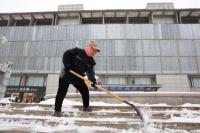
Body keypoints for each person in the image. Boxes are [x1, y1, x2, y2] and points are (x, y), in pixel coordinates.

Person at [53, 41, 100, 117]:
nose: (94, 53)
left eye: (95, 52)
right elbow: (66, 54)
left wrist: (93, 82)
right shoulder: (77, 51)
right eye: (93, 51)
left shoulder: (91, 61)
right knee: (61, 92)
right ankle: (57, 111)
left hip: (77, 76)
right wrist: (67, 65)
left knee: (85, 90)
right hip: (66, 74)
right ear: (89, 48)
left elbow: (91, 73)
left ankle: (86, 107)